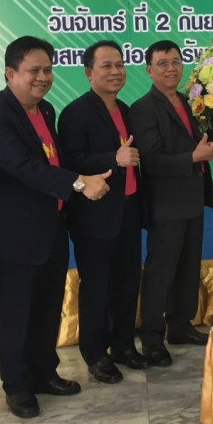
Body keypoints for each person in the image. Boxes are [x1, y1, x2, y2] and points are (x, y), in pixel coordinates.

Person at [0, 36, 111, 418]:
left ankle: (44, 374)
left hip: (52, 228)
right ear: (10, 72)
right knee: (17, 313)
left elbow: (54, 159)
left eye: (48, 70)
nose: (43, 78)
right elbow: (22, 167)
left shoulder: (46, 109)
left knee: (48, 308)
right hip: (14, 234)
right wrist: (80, 183)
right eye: (33, 70)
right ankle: (17, 387)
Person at [58, 41, 149, 384]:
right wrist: (114, 158)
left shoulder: (125, 109)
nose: (116, 72)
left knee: (127, 280)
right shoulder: (75, 113)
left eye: (120, 65)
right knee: (96, 286)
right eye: (107, 66)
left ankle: (123, 345)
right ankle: (95, 354)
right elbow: (71, 161)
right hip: (94, 215)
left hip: (128, 209)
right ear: (88, 72)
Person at [130, 40, 213, 367]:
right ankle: (152, 339)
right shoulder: (143, 108)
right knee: (161, 272)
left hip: (194, 198)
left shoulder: (190, 100)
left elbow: (203, 141)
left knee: (188, 268)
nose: (171, 68)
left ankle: (180, 326)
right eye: (163, 63)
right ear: (149, 70)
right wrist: (193, 157)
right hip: (166, 204)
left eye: (176, 62)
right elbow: (151, 161)